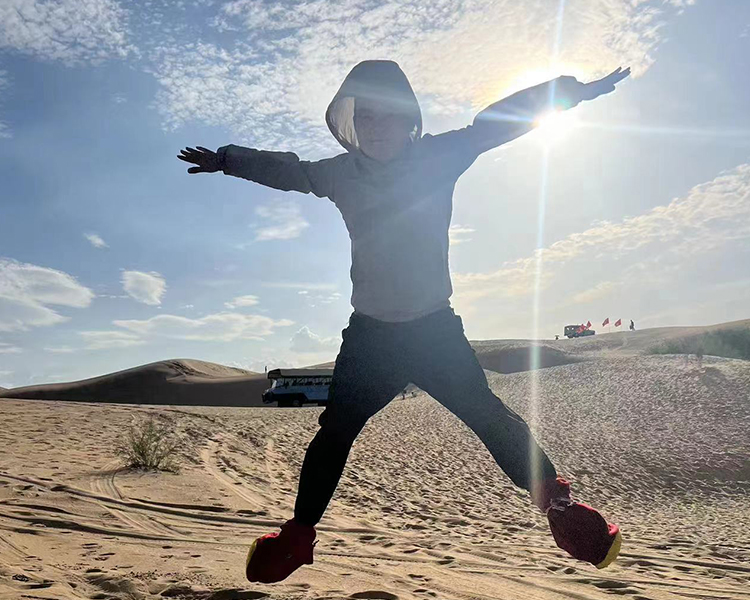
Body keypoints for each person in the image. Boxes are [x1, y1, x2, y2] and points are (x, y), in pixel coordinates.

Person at [178, 60, 628, 583]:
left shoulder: (439, 155)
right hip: (371, 337)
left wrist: (568, 92)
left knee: (487, 415)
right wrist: (229, 160)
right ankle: (297, 538)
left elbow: (496, 123)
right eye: (365, 118)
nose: (376, 127)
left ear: (408, 119)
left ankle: (562, 510)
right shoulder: (340, 173)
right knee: (335, 431)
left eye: (387, 115)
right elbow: (290, 170)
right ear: (351, 125)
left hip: (434, 331)